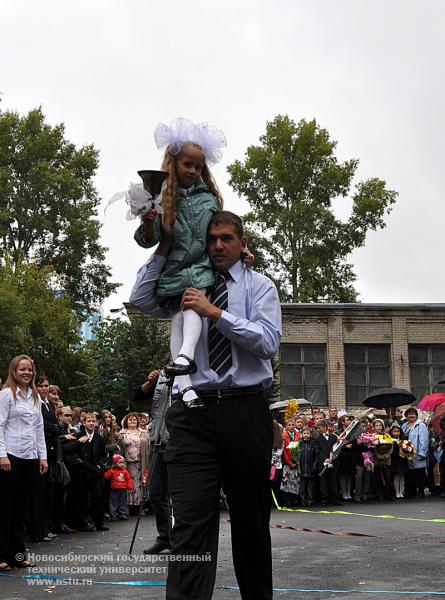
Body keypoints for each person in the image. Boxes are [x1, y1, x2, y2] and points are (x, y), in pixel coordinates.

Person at [130, 210, 282, 600]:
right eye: (211, 238)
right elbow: (140, 298)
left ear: (242, 242)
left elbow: (268, 342)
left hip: (244, 410)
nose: (217, 245)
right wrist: (164, 245)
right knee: (190, 527)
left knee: (250, 522)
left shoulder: (259, 286)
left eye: (226, 238)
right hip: (192, 414)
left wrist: (216, 312)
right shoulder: (186, 283)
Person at [134, 118, 226, 409]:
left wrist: (239, 255)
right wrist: (148, 223)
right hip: (173, 270)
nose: (193, 171)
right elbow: (149, 240)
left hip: (199, 268)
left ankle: (185, 362)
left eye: (199, 167)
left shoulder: (209, 200)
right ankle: (184, 383)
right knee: (178, 317)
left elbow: (218, 234)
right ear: (174, 164)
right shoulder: (161, 198)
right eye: (188, 164)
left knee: (191, 306)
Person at [0, 355, 48, 570]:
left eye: (29, 370)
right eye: (22, 370)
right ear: (14, 371)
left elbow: (39, 429)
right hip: (11, 456)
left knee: (21, 509)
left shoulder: (35, 397)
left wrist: (43, 456)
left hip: (30, 457)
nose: (27, 373)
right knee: (5, 508)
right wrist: (2, 455)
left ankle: (18, 555)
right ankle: (1, 555)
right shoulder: (6, 394)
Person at [118, 413, 149, 514]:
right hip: (127, 463)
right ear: (126, 421)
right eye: (130, 420)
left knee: (140, 484)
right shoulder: (122, 433)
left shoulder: (143, 432)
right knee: (128, 483)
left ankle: (140, 506)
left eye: (134, 419)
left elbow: (148, 446)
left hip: (140, 462)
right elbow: (119, 448)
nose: (132, 421)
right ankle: (128, 506)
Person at [402, 407, 429, 498]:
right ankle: (410, 491)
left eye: (413, 413)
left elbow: (424, 440)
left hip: (417, 453)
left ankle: (421, 490)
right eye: (409, 414)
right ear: (406, 416)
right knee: (409, 473)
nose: (411, 415)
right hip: (406, 452)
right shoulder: (404, 425)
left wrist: (422, 453)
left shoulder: (421, 425)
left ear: (416, 415)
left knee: (419, 472)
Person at [104, 453, 133, 520]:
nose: (122, 464)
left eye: (123, 462)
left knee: (123, 502)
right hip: (114, 489)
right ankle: (114, 514)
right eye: (119, 462)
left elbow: (128, 479)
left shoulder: (125, 471)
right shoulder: (112, 471)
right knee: (113, 502)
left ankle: (123, 514)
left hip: (123, 489)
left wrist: (129, 487)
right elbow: (106, 476)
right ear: (115, 463)